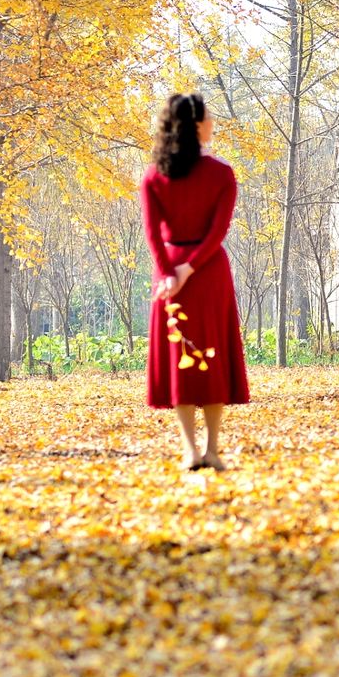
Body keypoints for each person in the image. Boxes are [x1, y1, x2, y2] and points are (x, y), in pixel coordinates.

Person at [139, 93, 249, 469]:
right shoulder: (222, 173)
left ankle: (191, 450)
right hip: (208, 272)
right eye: (209, 117)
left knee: (179, 358)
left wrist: (172, 272)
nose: (214, 122)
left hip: (170, 271)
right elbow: (218, 231)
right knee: (211, 356)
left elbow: (153, 234)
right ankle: (212, 449)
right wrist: (189, 269)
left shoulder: (154, 175)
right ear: (196, 125)